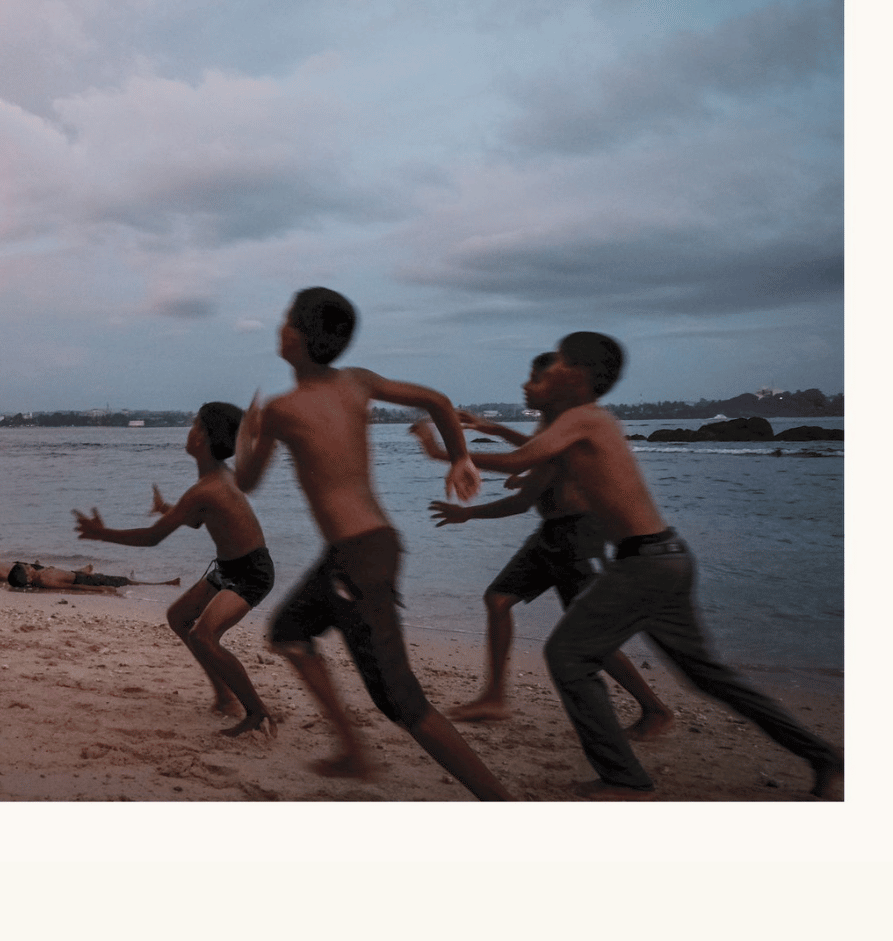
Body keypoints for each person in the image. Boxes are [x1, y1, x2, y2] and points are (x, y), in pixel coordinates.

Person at [446, 331, 843, 800]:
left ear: (577, 375)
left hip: (646, 564)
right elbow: (533, 460)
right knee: (707, 675)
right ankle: (825, 757)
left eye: (555, 365)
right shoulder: (585, 422)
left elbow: (522, 457)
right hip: (665, 557)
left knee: (569, 656)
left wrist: (449, 453)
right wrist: (482, 447)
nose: (545, 371)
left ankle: (624, 779)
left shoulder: (585, 419)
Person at [233, 288, 511, 798]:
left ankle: (501, 802)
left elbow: (246, 483)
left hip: (356, 561)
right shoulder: (357, 382)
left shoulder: (281, 409)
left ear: (300, 337)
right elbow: (439, 401)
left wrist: (247, 434)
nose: (279, 326)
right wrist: (459, 458)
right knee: (290, 632)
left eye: (286, 320)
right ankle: (354, 752)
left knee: (404, 705)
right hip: (366, 549)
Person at [414, 354, 672, 737]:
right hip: (554, 534)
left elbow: (522, 480)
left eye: (535, 379)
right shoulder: (556, 424)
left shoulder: (574, 426)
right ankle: (495, 697)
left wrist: (447, 459)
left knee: (587, 637)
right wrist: (491, 427)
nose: (525, 385)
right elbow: (532, 449)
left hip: (577, 537)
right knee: (499, 599)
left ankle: (655, 709)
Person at [73, 402, 277, 737]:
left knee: (204, 636)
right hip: (228, 567)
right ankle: (225, 696)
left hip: (251, 572)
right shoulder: (214, 480)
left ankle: (258, 712)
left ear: (205, 440)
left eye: (196, 425)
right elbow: (198, 520)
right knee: (179, 618)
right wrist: (169, 509)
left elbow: (153, 539)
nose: (190, 431)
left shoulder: (208, 487)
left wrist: (101, 533)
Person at [0, 558, 180, 589]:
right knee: (123, 581)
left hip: (39, 576)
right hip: (82, 581)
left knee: (63, 573)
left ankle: (80, 570)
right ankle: (163, 584)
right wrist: (101, 591)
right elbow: (74, 585)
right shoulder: (0, 570)